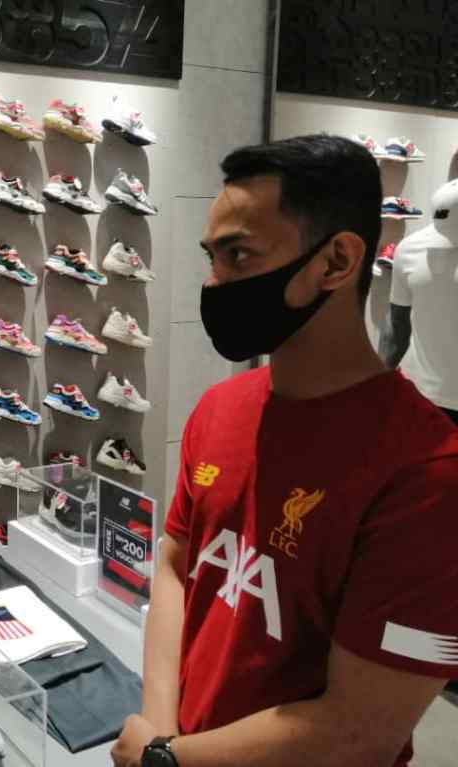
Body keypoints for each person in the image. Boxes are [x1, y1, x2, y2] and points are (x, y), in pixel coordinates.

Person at [112, 135, 458, 767]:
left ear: (337, 261)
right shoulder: (219, 409)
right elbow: (175, 565)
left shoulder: (429, 475)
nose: (215, 281)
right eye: (213, 257)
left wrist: (167, 758)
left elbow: (362, 731)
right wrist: (162, 734)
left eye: (239, 255)